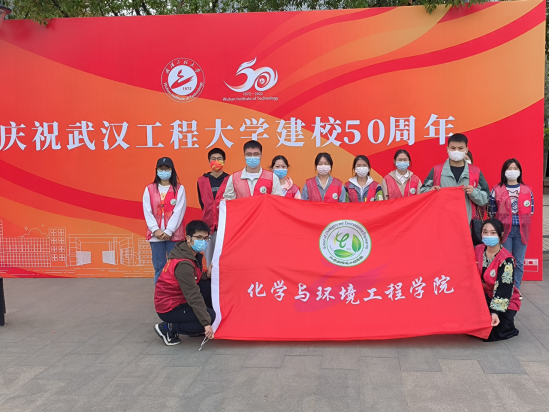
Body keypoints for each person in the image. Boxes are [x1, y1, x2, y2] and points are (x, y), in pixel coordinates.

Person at [154, 220, 216, 346]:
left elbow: (193, 278)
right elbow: (193, 295)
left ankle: (193, 323)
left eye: (205, 238)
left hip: (180, 298)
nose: (203, 241)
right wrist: (206, 322)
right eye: (199, 237)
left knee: (208, 285)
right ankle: (168, 327)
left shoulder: (188, 253)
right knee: (210, 317)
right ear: (188, 238)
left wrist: (206, 275)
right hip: (170, 307)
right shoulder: (183, 263)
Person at [420, 133, 490, 223]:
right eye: (453, 148)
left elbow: (486, 199)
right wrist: (431, 191)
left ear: (466, 150)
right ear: (447, 149)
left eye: (460, 148)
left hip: (467, 224)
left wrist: (474, 192)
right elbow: (422, 192)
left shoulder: (475, 172)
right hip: (442, 222)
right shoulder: (437, 171)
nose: (456, 151)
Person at [487, 159, 534, 291]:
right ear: (504, 171)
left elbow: (531, 210)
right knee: (504, 261)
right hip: (503, 231)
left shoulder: (527, 189)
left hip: (521, 230)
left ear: (519, 171)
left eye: (515, 168)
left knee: (519, 262)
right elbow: (491, 211)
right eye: (509, 168)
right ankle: (505, 290)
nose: (512, 171)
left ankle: (516, 290)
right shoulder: (496, 189)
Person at [475, 219, 521, 342]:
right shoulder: (478, 250)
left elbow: (504, 289)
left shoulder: (506, 260)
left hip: (504, 301)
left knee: (491, 333)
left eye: (493, 233)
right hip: (485, 297)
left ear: (501, 235)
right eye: (485, 232)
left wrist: (495, 312)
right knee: (474, 328)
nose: (488, 235)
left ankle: (509, 326)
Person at [143, 157, 186, 283]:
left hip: (174, 234)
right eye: (161, 169)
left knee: (175, 266)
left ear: (172, 170)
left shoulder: (179, 188)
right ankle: (160, 294)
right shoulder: (149, 189)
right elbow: (147, 211)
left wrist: (169, 231)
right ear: (156, 171)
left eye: (167, 169)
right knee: (159, 267)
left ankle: (174, 293)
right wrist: (155, 230)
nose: (164, 172)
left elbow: (179, 211)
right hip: (156, 235)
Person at [197, 148, 230, 266]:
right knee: (209, 260)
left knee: (224, 259)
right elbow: (202, 203)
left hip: (225, 226)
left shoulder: (230, 180)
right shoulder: (202, 180)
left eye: (219, 159)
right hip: (208, 227)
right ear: (209, 161)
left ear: (224, 161)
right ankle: (210, 278)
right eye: (213, 159)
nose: (216, 161)